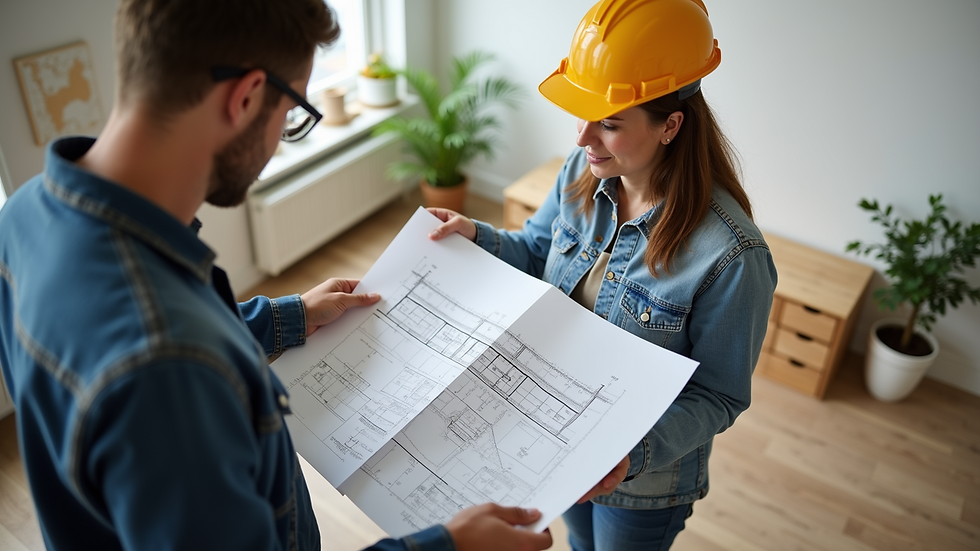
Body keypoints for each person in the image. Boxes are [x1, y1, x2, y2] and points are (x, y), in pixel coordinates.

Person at [0, 1, 553, 550]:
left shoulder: (24, 216)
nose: (286, 131)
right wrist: (450, 547)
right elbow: (167, 355)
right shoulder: (170, 366)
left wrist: (286, 318)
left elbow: (137, 332)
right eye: (293, 112)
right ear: (244, 98)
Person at [428, 0, 778, 549]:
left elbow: (718, 396)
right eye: (585, 116)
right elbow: (537, 248)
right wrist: (476, 235)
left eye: (610, 124)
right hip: (553, 439)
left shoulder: (731, 257)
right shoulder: (583, 171)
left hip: (642, 481)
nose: (582, 138)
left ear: (672, 125)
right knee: (579, 543)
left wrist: (627, 455)